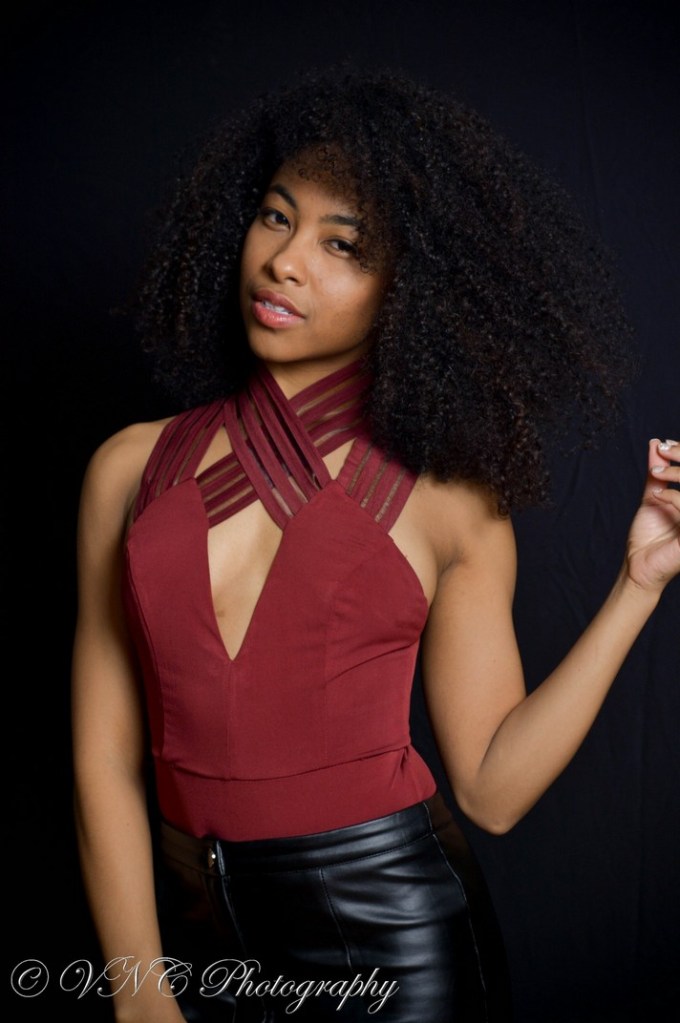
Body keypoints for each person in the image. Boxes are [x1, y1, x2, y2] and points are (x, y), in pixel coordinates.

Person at [71, 66, 679, 1023]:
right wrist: (139, 993)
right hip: (198, 942)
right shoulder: (129, 469)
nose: (286, 261)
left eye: (342, 244)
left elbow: (492, 790)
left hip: (394, 945)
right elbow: (103, 758)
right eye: (276, 218)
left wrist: (639, 583)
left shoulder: (449, 501)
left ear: (409, 289)